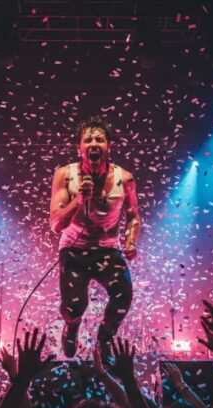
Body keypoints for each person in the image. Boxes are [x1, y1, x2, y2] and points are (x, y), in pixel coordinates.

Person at [49, 116, 141, 359]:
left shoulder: (126, 178)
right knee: (75, 306)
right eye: (87, 139)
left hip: (108, 249)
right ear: (79, 148)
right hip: (73, 250)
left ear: (108, 146)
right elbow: (56, 223)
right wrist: (78, 202)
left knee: (123, 295)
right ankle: (72, 327)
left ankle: (104, 340)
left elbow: (133, 217)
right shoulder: (64, 175)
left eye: (99, 139)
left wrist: (131, 240)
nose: (94, 143)